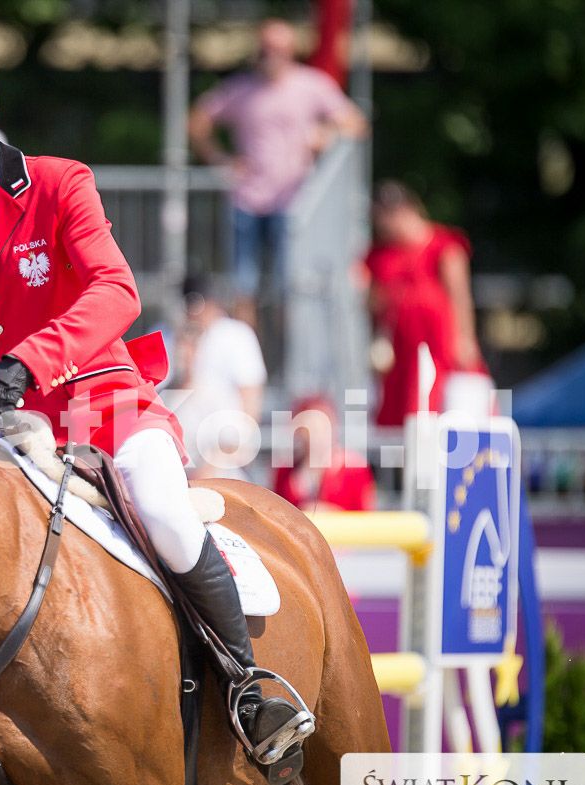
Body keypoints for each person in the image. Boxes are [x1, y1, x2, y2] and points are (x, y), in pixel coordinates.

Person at [0, 33, 315, 785]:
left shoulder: (60, 183)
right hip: (5, 436)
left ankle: (248, 689)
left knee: (165, 512)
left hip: (105, 407)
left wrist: (30, 359)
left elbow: (116, 291)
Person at [188, 19, 368, 330]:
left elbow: (355, 123)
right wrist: (220, 160)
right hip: (247, 199)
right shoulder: (241, 88)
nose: (272, 55)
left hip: (294, 202)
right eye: (266, 48)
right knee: (243, 287)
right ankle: (249, 354)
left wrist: (325, 134)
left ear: (292, 50)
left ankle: (290, 356)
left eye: (279, 48)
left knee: (291, 287)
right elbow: (197, 121)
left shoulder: (312, 84)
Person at [364, 181, 486, 426]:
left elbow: (459, 295)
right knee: (400, 415)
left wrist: (465, 338)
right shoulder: (383, 255)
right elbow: (374, 301)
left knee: (443, 407)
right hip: (402, 352)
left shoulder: (444, 245)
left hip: (439, 344)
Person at [174, 274, 268, 479]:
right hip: (176, 457)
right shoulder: (168, 335)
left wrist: (227, 454)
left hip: (223, 457)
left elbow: (251, 403)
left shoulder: (236, 335)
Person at [271, 395, 375, 511]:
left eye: (321, 428)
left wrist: (330, 513)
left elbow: (365, 514)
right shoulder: (285, 471)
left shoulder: (354, 469)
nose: (316, 436)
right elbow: (276, 511)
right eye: (309, 429)